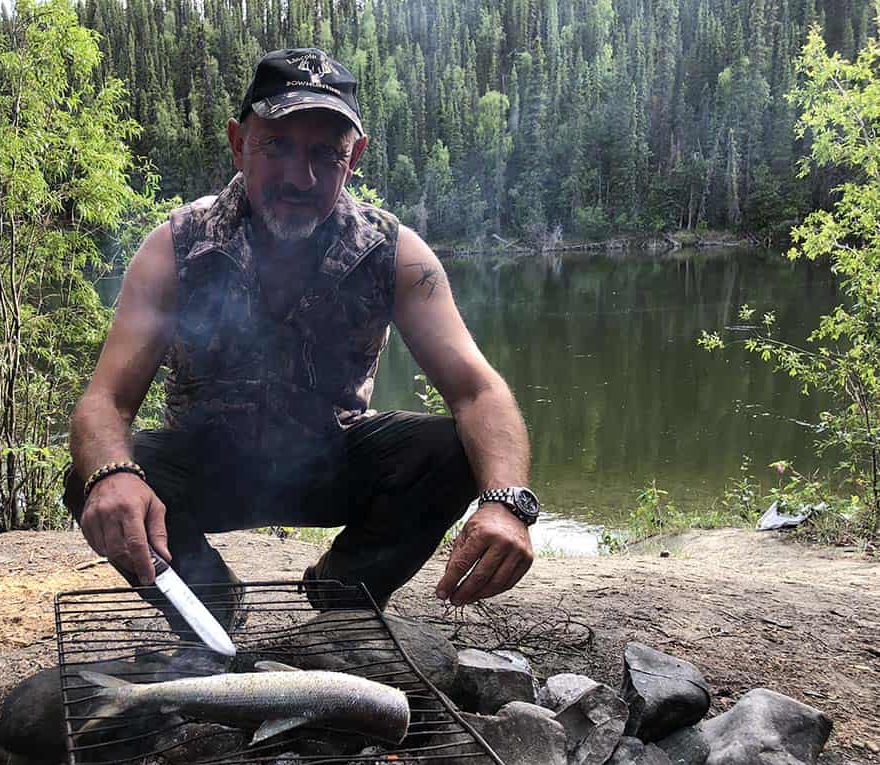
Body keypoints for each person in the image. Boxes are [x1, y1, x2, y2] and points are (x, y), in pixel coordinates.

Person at [66, 48, 538, 628]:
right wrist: (112, 474)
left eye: (324, 153)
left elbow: (477, 392)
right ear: (239, 143)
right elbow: (105, 402)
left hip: (330, 460)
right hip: (207, 466)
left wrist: (507, 503)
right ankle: (210, 606)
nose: (300, 176)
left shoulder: (393, 253)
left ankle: (346, 592)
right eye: (277, 146)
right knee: (98, 474)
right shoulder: (175, 247)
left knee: (454, 452)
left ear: (355, 157)